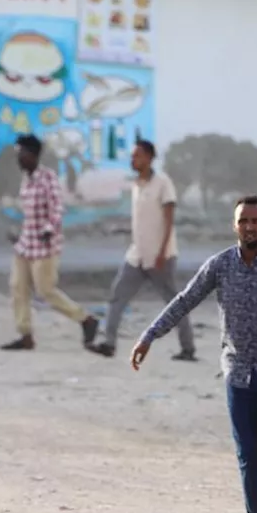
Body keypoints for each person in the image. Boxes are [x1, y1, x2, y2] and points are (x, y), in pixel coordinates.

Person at [130, 196, 257, 513]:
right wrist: (150, 335)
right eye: (243, 221)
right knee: (247, 453)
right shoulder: (220, 265)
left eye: (255, 220)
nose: (249, 227)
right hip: (236, 373)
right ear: (234, 225)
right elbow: (185, 300)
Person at [89, 140, 194, 360]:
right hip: (137, 254)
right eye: (132, 156)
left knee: (173, 303)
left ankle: (188, 347)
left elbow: (168, 220)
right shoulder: (137, 184)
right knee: (118, 296)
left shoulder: (163, 183)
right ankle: (109, 343)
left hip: (160, 256)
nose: (132, 160)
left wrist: (162, 253)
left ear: (148, 157)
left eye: (136, 156)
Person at [0, 134, 99, 351]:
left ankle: (85, 319)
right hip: (26, 244)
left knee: (46, 291)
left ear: (33, 155)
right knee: (18, 287)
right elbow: (29, 213)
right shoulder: (26, 180)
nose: (19, 160)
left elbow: (56, 208)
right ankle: (25, 335)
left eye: (22, 155)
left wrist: (47, 230)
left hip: (45, 246)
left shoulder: (48, 178)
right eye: (18, 155)